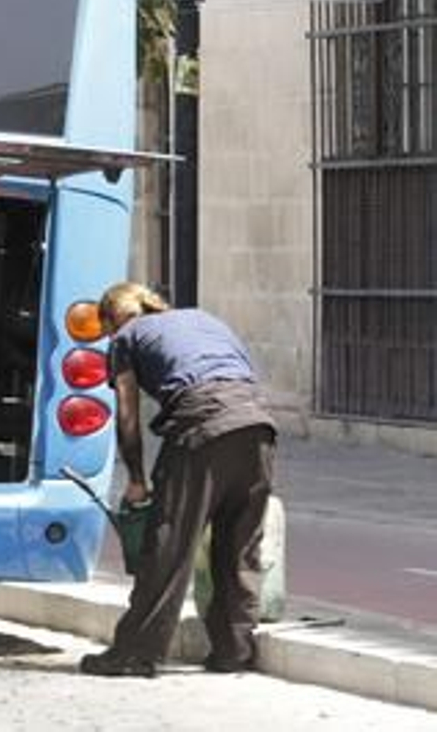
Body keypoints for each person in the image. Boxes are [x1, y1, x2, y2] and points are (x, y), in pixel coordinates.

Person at [79, 281, 278, 679]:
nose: (110, 337)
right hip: (258, 428)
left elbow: (128, 415)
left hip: (201, 429)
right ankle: (234, 650)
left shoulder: (126, 338)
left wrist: (136, 478)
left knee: (168, 545)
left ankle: (136, 653)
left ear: (113, 319)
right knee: (239, 546)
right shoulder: (202, 319)